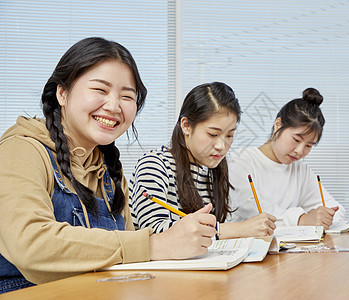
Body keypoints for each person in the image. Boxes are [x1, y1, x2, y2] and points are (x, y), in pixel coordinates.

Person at [0, 37, 217, 294]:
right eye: (100, 90)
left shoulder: (109, 168)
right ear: (62, 92)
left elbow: (124, 262)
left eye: (127, 96)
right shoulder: (21, 149)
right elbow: (32, 245)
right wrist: (156, 244)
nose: (114, 106)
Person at [130, 82, 276, 239]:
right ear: (186, 126)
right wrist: (238, 229)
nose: (221, 146)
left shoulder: (213, 171)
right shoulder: (154, 165)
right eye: (213, 134)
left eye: (229, 135)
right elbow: (152, 233)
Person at [228, 88, 345, 229]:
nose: (299, 151)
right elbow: (252, 209)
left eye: (309, 146)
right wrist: (301, 219)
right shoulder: (241, 161)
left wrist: (325, 217)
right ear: (278, 125)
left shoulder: (301, 170)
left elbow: (335, 209)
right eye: (296, 139)